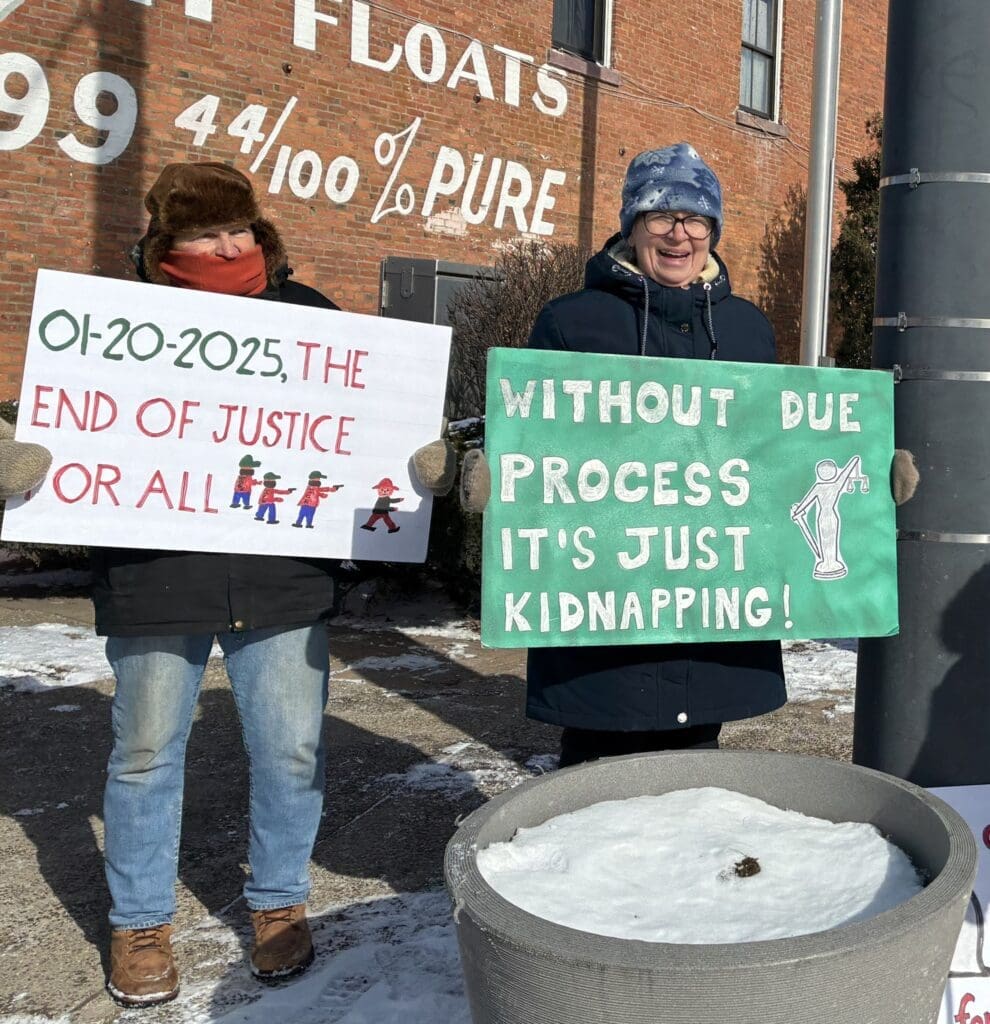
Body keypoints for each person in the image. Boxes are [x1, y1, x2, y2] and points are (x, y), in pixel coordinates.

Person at [464, 143, 788, 768]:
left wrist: (859, 477)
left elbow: (775, 451)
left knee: (693, 787)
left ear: (713, 231)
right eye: (660, 217)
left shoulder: (749, 330)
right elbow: (532, 446)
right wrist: (493, 472)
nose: (678, 234)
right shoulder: (572, 323)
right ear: (632, 225)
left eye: (696, 219)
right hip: (603, 611)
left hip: (708, 607)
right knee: (595, 796)